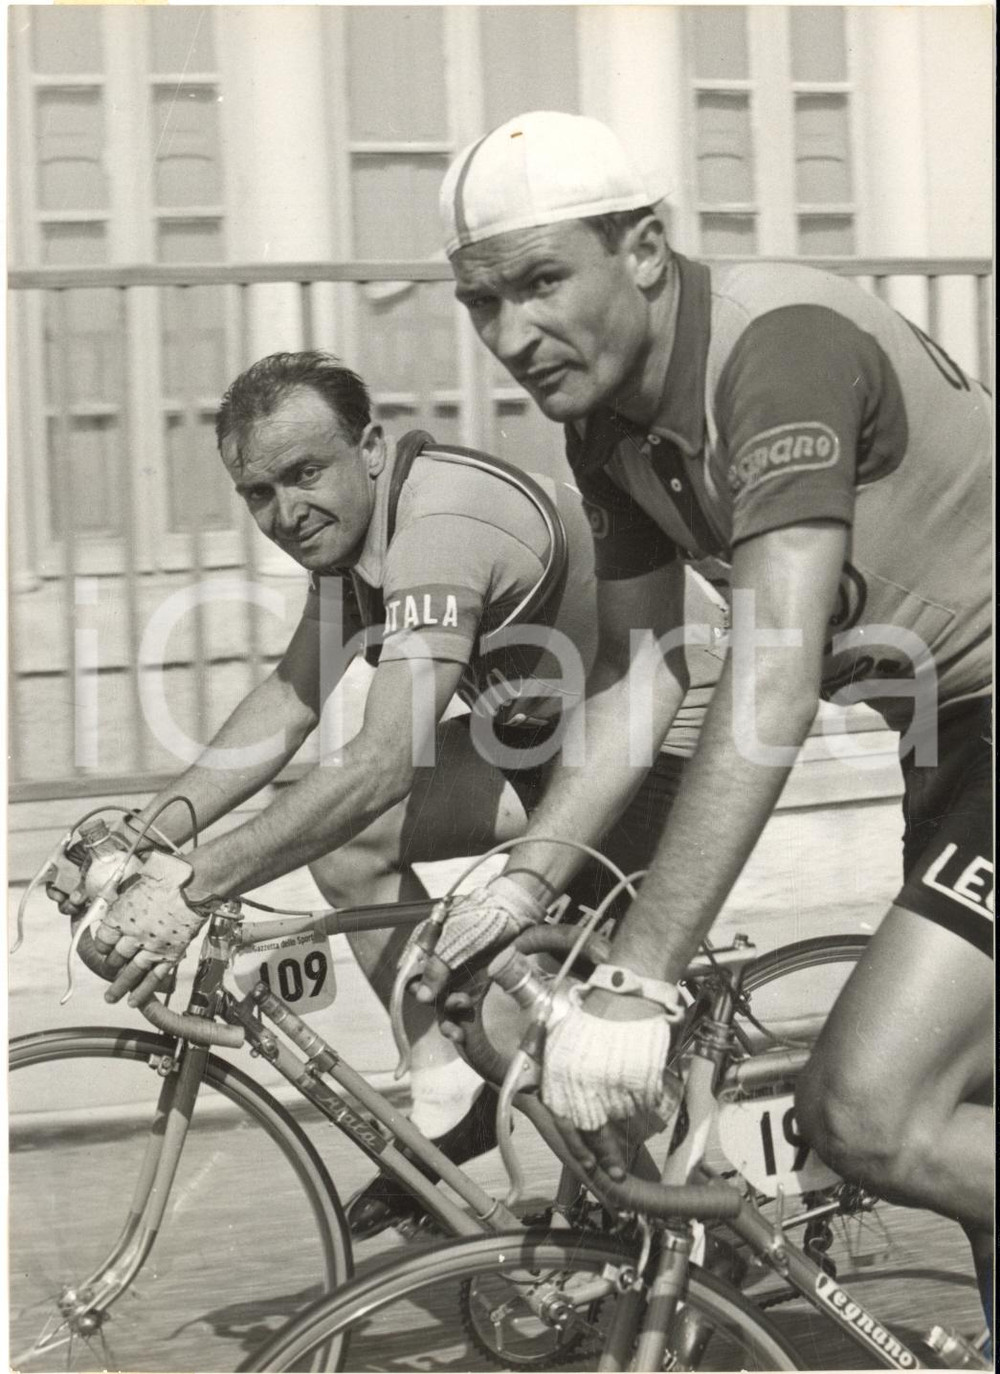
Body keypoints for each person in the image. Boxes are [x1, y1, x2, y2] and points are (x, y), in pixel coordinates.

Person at [414, 110, 993, 1323]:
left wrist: (641, 979)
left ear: (641, 248)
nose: (511, 334)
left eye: (538, 283)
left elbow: (770, 677)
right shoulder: (605, 424)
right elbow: (641, 677)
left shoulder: (772, 349)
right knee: (970, 1120)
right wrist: (523, 880)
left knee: (870, 1112)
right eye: (480, 303)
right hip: (950, 739)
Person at [73, 348, 725, 1238]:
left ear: (370, 448)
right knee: (352, 849)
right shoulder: (351, 544)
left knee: (514, 1012)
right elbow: (292, 699)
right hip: (543, 739)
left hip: (663, 736)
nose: (285, 512)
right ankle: (446, 1090)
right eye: (258, 494)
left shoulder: (438, 527)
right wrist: (149, 839)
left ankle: (681, 1230)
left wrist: (193, 886)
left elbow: (380, 760)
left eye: (304, 474)